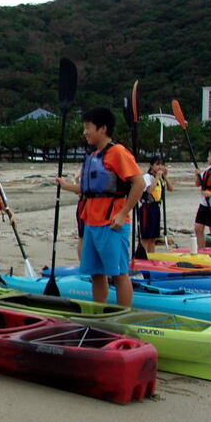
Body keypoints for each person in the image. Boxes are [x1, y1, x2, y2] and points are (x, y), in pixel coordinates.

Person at [56, 107, 144, 306]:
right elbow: (88, 189)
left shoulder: (118, 152)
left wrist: (123, 213)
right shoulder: (94, 154)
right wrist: (66, 185)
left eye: (88, 127)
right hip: (91, 221)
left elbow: (139, 184)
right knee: (96, 273)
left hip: (112, 222)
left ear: (102, 128)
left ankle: (122, 314)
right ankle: (99, 309)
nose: (85, 132)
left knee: (119, 273)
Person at [138, 156, 174, 254]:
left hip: (156, 208)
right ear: (151, 166)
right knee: (146, 237)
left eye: (162, 165)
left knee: (153, 237)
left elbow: (171, 188)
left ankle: (151, 256)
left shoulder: (161, 178)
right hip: (147, 208)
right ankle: (141, 256)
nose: (160, 167)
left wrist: (165, 177)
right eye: (157, 164)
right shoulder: (147, 177)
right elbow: (149, 191)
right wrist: (157, 177)